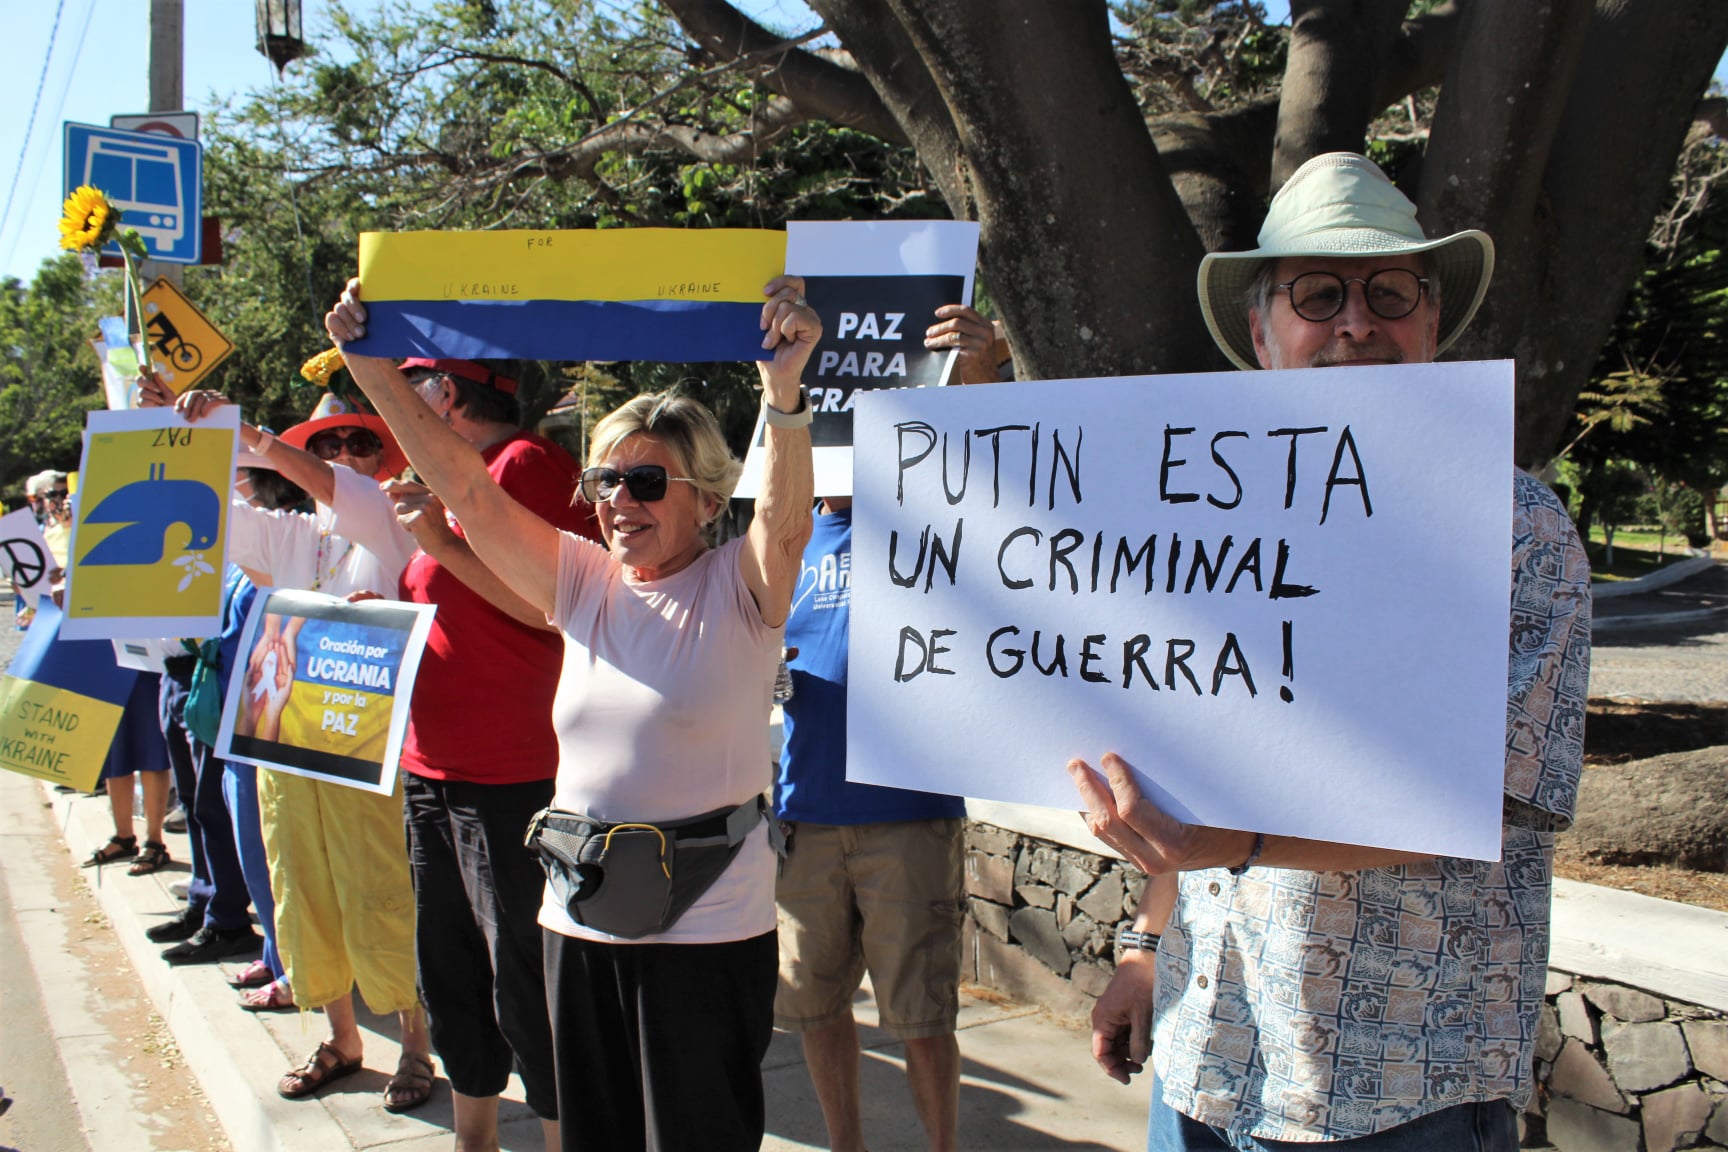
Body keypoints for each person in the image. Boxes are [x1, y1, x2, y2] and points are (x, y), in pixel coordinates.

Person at [1071, 152, 1591, 1151]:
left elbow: (1471, 800)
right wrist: (1143, 948)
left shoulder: (1516, 532)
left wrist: (1235, 842)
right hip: (1204, 1055)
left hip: (1397, 1092)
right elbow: (1182, 762)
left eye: (1391, 292)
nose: (1358, 322)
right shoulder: (1191, 522)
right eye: (1318, 293)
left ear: (1432, 325)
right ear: (1264, 334)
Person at [325, 273, 817, 1152]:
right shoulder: (585, 582)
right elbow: (470, 497)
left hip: (707, 927)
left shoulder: (739, 586)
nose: (618, 502)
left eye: (645, 482)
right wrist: (375, 376)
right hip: (580, 916)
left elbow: (783, 524)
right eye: (605, 480)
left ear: (706, 498)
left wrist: (783, 395)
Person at [150, 379, 438, 1111]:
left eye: (360, 441)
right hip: (285, 738)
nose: (344, 453)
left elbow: (332, 487)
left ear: (383, 454)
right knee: (299, 885)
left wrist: (252, 436)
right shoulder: (295, 537)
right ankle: (341, 1038)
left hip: (371, 747)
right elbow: (212, 514)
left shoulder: (392, 517)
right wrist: (172, 426)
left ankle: (416, 1045)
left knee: (383, 890)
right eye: (328, 444)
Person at [771, 304, 1000, 1152]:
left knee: (921, 1016)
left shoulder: (928, 520)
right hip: (807, 815)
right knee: (813, 1006)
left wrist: (976, 373)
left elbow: (997, 468)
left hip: (908, 810)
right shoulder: (787, 539)